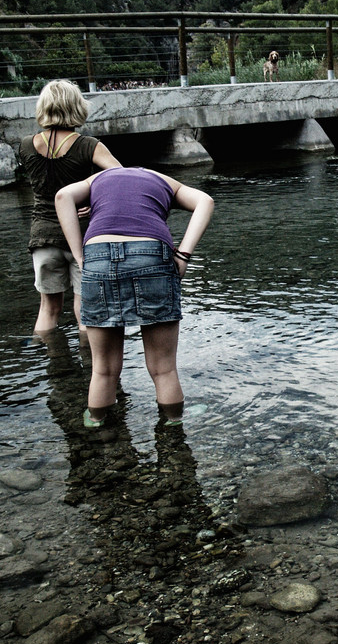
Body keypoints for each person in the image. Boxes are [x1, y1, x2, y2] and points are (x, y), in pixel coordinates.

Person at [54, 166, 214, 429]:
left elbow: (62, 197)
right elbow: (205, 201)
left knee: (103, 369)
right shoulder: (164, 181)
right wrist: (183, 255)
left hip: (98, 254)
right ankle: (173, 426)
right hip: (151, 252)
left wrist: (81, 257)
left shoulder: (96, 179)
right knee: (164, 368)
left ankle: (98, 425)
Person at [18, 79, 121, 333]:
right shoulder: (88, 145)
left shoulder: (26, 145)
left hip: (43, 237)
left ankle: (54, 363)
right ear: (76, 107)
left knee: (48, 308)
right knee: (85, 307)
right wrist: (93, 202)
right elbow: (122, 178)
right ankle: (91, 365)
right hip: (81, 235)